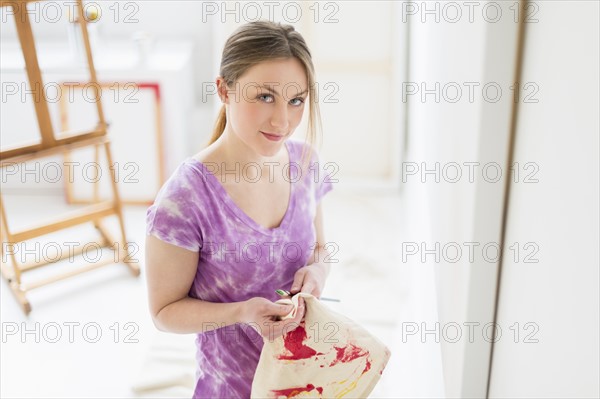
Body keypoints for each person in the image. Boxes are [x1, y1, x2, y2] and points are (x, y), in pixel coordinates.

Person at [145, 20, 334, 398]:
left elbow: (321, 249)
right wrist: (242, 312)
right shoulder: (185, 199)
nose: (283, 120)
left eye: (296, 100)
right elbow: (164, 313)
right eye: (265, 96)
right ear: (223, 89)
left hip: (307, 379)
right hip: (231, 388)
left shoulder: (305, 163)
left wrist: (317, 271)